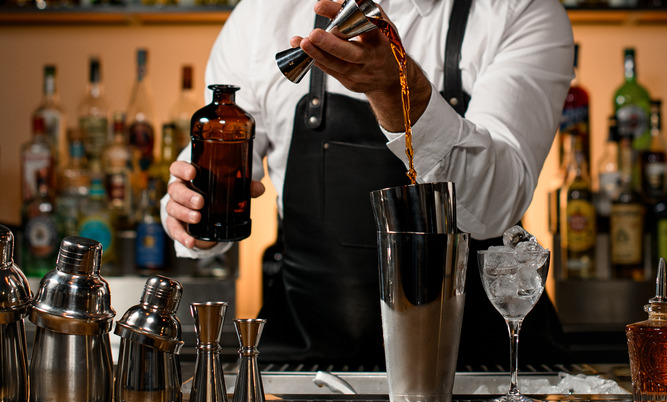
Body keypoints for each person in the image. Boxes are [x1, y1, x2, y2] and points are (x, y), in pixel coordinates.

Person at [162, 0, 575, 368]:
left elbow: (492, 210)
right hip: (311, 361)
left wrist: (399, 94)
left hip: (481, 368)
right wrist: (189, 211)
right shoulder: (262, 14)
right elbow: (216, 166)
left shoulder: (522, 10)